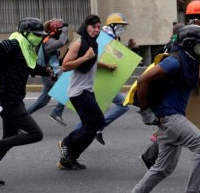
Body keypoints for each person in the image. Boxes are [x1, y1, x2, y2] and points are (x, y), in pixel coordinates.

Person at [119, 25, 200, 193]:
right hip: (169, 116)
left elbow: (189, 84)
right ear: (190, 44)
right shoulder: (175, 61)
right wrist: (145, 111)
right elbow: (144, 80)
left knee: (163, 167)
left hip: (171, 117)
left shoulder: (191, 59)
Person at [0, 17, 52, 186]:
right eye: (36, 34)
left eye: (40, 35)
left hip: (14, 98)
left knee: (10, 137)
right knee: (36, 134)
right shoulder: (13, 44)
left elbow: (31, 67)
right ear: (25, 33)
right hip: (10, 100)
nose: (39, 37)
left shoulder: (26, 48)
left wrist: (46, 71)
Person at [56, 14, 116, 170]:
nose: (96, 30)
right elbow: (65, 65)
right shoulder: (79, 43)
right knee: (98, 122)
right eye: (93, 26)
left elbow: (92, 61)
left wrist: (106, 65)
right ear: (86, 26)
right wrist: (85, 57)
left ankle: (68, 159)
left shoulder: (93, 44)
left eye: (98, 27)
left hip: (88, 90)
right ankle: (67, 143)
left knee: (91, 127)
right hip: (78, 91)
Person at [78, 13, 131, 145]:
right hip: (98, 79)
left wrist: (128, 49)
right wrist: (107, 66)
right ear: (112, 26)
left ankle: (76, 139)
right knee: (121, 105)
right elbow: (95, 58)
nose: (122, 29)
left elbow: (116, 55)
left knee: (94, 113)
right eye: (120, 26)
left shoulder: (111, 38)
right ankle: (71, 141)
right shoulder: (104, 38)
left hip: (101, 79)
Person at [26, 18, 69, 125]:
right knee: (68, 89)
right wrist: (64, 30)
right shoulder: (48, 41)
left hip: (51, 73)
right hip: (49, 74)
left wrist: (63, 31)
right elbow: (62, 42)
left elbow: (66, 41)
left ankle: (21, 118)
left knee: (42, 101)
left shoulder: (50, 38)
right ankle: (56, 113)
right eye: (60, 29)